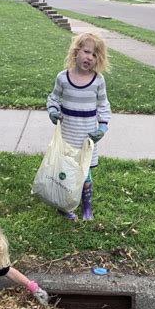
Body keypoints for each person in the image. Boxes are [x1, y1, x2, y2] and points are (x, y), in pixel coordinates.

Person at [47, 32, 111, 221]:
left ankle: (87, 206)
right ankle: (64, 205)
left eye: (94, 55)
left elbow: (103, 105)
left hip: (87, 138)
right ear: (76, 52)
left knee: (85, 173)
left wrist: (103, 127)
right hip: (68, 136)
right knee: (66, 172)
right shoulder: (63, 78)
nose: (89, 58)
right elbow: (53, 97)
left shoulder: (98, 81)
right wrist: (53, 110)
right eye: (86, 52)